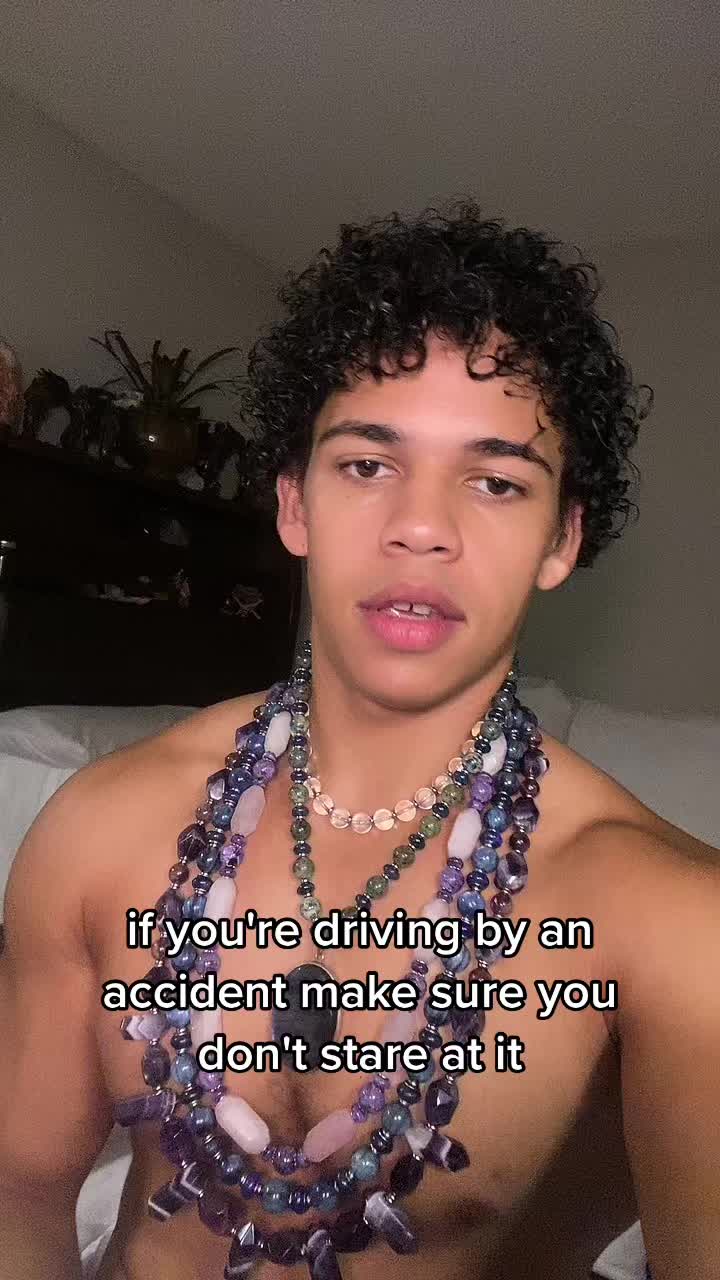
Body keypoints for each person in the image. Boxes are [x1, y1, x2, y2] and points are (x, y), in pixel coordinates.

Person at [1, 200, 718, 1280]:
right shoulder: (97, 828)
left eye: (496, 481)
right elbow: (17, 1198)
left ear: (561, 539)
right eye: (367, 465)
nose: (421, 526)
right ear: (294, 505)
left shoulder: (675, 931)